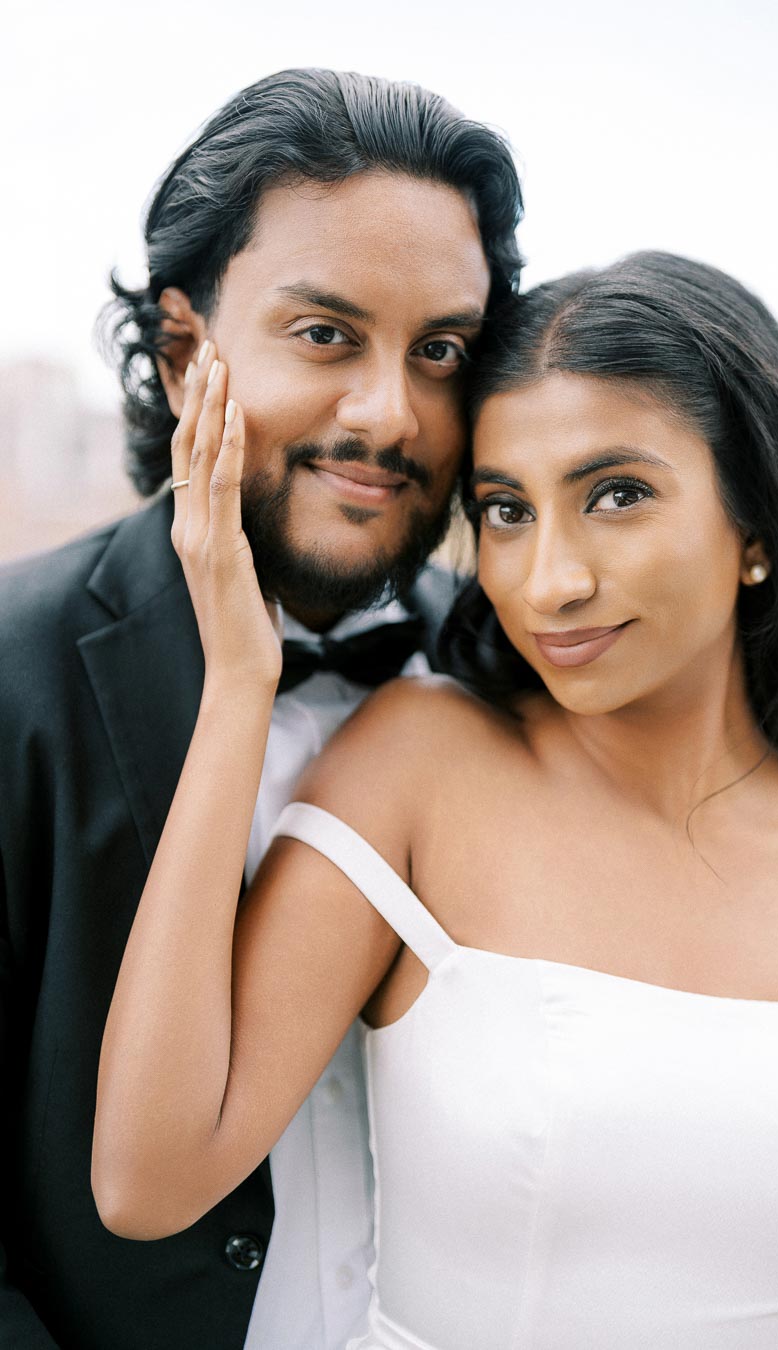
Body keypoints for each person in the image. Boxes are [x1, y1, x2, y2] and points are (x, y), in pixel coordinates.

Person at [93, 250, 778, 1349]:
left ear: (756, 526)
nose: (548, 581)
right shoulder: (421, 766)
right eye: (506, 511)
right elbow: (148, 1176)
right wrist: (240, 683)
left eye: (616, 496)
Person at [0, 68, 523, 1350]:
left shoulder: (531, 674)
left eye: (441, 351)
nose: (389, 414)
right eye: (326, 334)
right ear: (188, 354)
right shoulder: (12, 674)